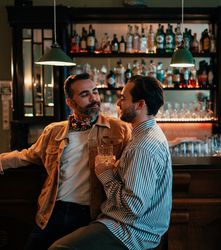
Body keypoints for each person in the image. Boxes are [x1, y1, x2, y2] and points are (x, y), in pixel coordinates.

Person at [0, 73, 131, 250]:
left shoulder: (120, 129)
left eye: (94, 91)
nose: (93, 98)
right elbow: (26, 155)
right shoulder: (54, 132)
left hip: (93, 215)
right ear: (70, 102)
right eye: (85, 94)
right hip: (54, 210)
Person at [49, 75, 173, 250]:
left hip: (130, 231)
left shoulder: (142, 147)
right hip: (129, 224)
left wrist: (105, 173)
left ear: (140, 105)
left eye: (123, 98)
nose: (118, 104)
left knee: (59, 248)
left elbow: (133, 207)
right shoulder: (148, 133)